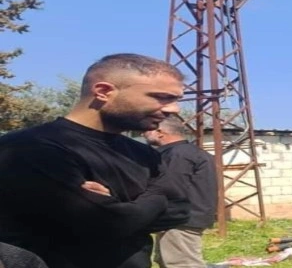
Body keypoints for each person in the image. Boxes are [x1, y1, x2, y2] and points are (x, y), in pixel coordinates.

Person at [0, 53, 191, 268]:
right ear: (103, 91)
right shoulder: (30, 148)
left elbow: (180, 211)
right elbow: (108, 224)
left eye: (176, 100)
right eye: (161, 97)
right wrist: (156, 196)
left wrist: (119, 207)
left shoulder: (143, 153)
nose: (173, 109)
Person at [142, 117, 218, 268]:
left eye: (146, 131)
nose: (143, 134)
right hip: (184, 219)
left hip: (180, 221)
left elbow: (169, 188)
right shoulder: (190, 152)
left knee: (182, 264)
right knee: (166, 261)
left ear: (160, 132)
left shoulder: (177, 155)